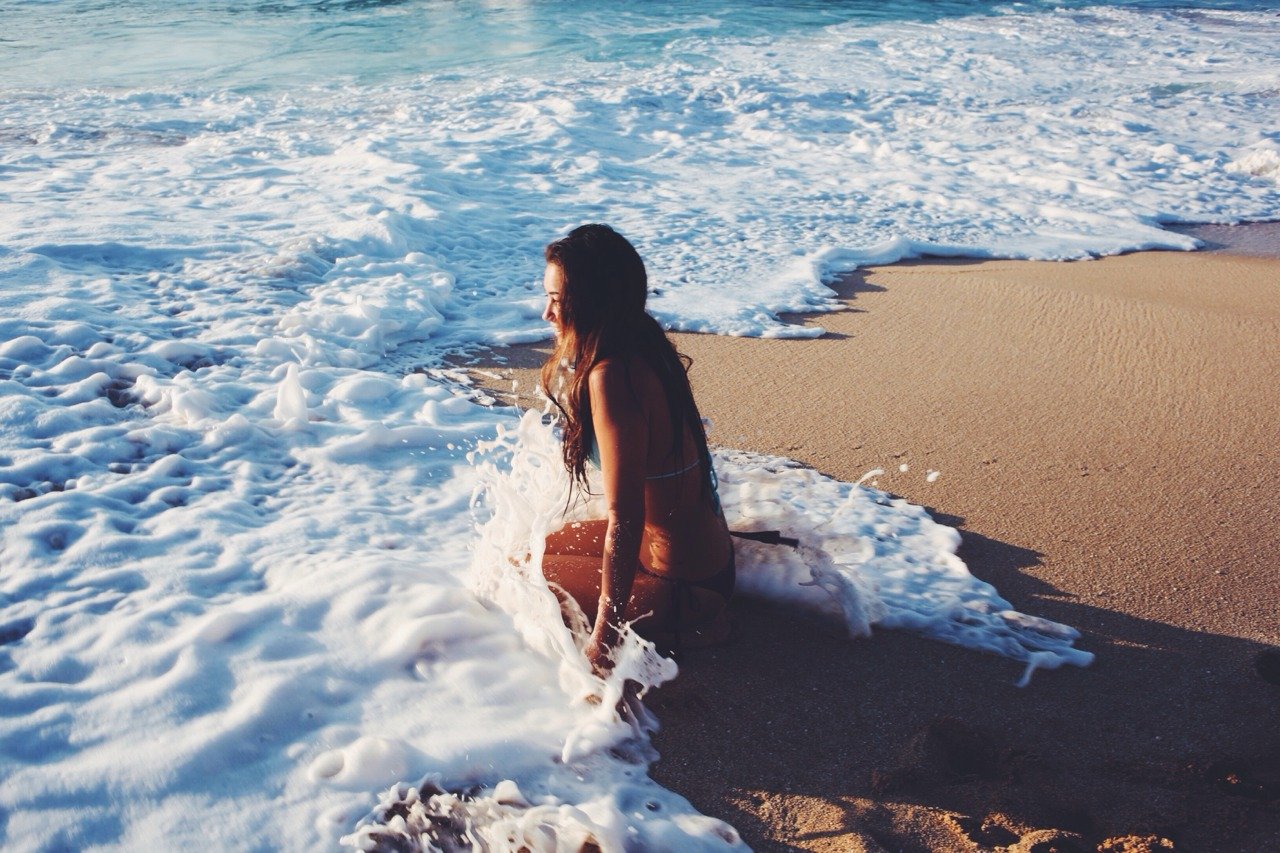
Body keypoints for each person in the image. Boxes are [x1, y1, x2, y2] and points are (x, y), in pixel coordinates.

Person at [537, 224, 735, 676]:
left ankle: (692, 628)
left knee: (517, 573)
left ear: (591, 302)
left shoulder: (611, 379)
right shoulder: (643, 344)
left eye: (558, 300)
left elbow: (625, 519)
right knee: (526, 549)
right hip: (699, 558)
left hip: (685, 586)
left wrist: (603, 641)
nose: (547, 314)